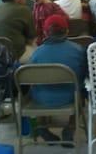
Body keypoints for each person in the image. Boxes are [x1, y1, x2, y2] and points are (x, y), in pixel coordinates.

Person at [29, 14, 86, 145]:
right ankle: (70, 128)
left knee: (36, 87)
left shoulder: (36, 53)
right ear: (67, 31)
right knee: (81, 92)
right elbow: (83, 76)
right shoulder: (77, 50)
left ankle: (42, 127)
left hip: (40, 99)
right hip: (71, 98)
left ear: (45, 32)